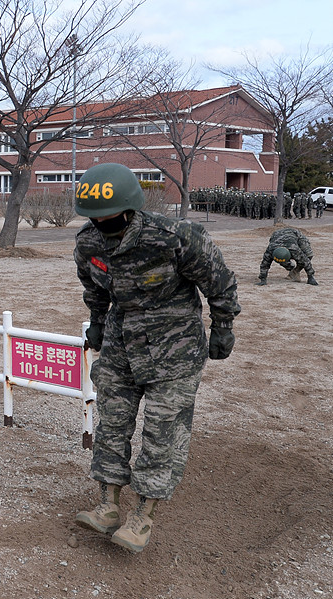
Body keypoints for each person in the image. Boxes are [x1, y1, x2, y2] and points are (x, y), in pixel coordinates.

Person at [72, 163, 240, 553]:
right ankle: (108, 505)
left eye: (108, 217)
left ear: (131, 208)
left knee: (163, 432)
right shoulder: (89, 242)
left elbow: (220, 281)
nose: (101, 224)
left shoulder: (176, 237)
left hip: (174, 349)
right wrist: (97, 321)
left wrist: (223, 326)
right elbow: (92, 285)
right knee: (111, 421)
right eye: (93, 218)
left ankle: (143, 516)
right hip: (121, 346)